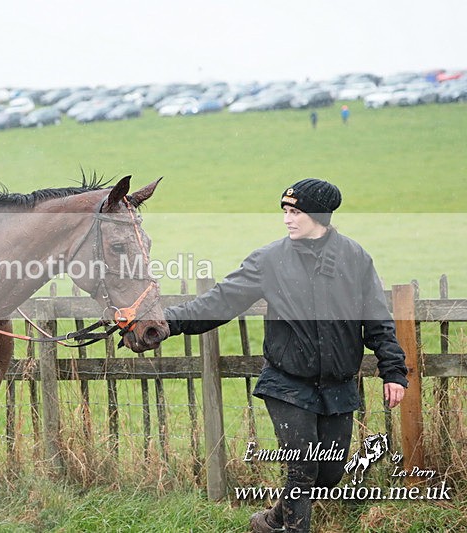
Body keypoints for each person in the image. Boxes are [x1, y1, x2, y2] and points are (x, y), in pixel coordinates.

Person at [162, 179, 408, 533]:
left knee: (329, 475)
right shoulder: (269, 260)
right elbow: (219, 301)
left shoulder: (354, 258)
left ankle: (270, 521)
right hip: (287, 382)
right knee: (302, 467)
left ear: (319, 215)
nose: (287, 219)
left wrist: (393, 371)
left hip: (338, 385)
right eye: (285, 211)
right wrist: (167, 322)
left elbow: (377, 320)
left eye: (295, 212)